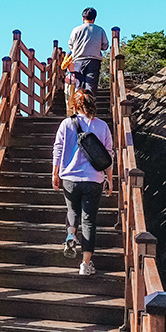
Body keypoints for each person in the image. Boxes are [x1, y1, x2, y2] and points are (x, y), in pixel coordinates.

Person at [51, 89, 114, 275]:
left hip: (69, 177)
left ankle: (71, 235)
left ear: (75, 104)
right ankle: (85, 264)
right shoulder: (102, 126)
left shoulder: (66, 124)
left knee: (72, 211)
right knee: (89, 220)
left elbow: (58, 148)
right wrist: (109, 178)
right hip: (93, 179)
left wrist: (55, 173)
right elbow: (108, 154)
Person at [65, 7, 109, 108]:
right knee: (91, 87)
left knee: (79, 85)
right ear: (94, 18)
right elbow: (105, 46)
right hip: (94, 60)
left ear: (83, 18)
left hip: (78, 61)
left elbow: (70, 45)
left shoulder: (76, 30)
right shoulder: (100, 30)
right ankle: (89, 109)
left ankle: (79, 108)